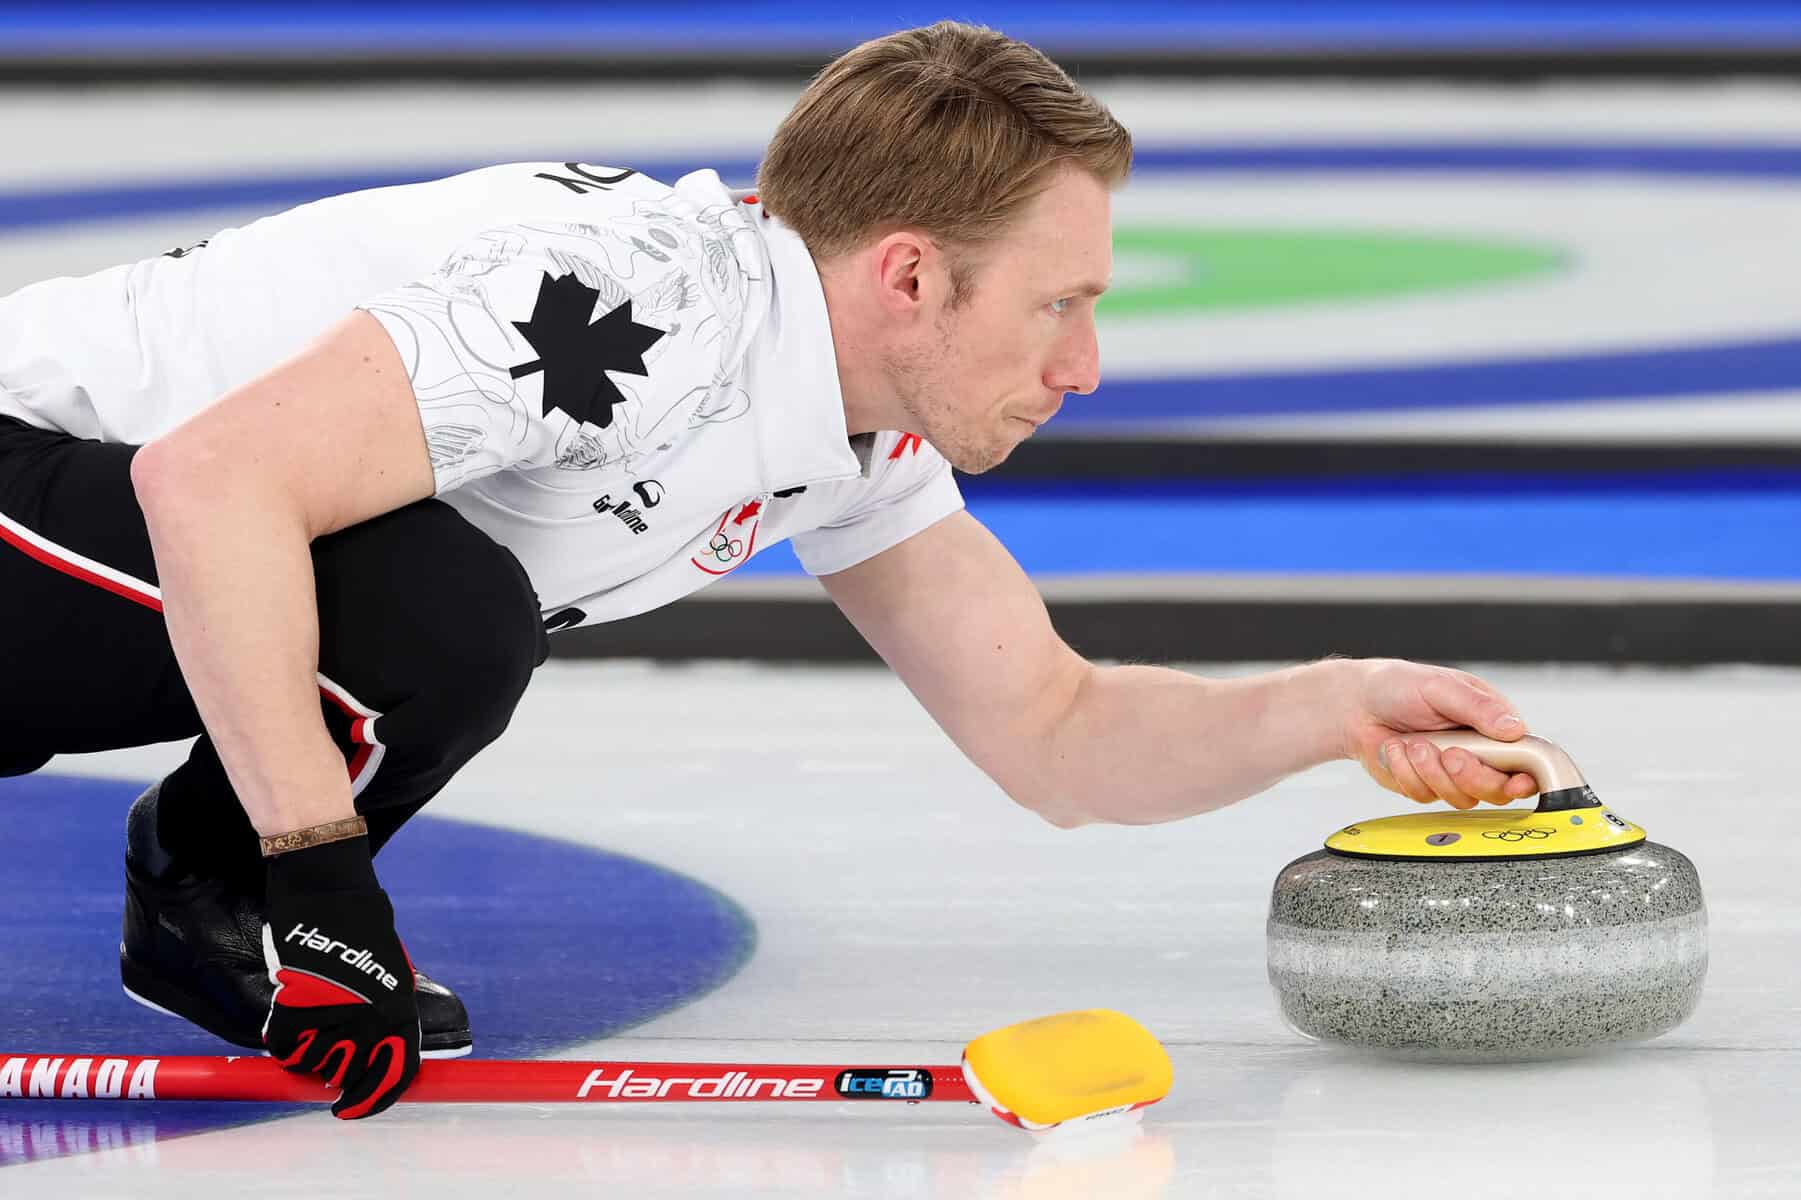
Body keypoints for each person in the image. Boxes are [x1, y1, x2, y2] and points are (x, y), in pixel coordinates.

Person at [0, 21, 1538, 1119]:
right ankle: (240, 889)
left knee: (445, 614)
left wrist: (1330, 709)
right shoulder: (626, 307)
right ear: (913, 275)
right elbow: (205, 478)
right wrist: (321, 878)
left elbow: (1053, 733)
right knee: (447, 614)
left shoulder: (845, 425)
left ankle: (206, 894)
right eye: (1058, 307)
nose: (1084, 365)